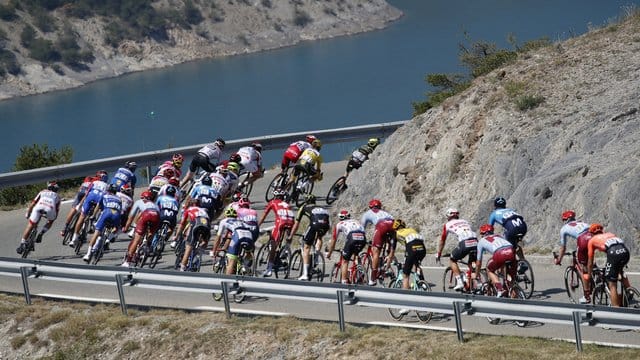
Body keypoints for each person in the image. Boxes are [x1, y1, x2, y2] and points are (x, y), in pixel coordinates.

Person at [583, 224, 631, 307]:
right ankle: (629, 291)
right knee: (619, 270)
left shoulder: (592, 240)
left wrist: (589, 275)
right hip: (625, 252)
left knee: (612, 284)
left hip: (614, 254)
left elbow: (590, 262)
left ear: (591, 234)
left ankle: (616, 309)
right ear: (602, 231)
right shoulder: (610, 234)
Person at [288, 194, 330, 281]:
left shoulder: (304, 207)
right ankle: (317, 256)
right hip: (325, 225)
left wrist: (291, 235)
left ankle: (305, 274)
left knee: (306, 247)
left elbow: (296, 223)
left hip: (314, 224)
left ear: (306, 201)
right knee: (319, 237)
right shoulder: (322, 208)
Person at [554, 210, 592, 303]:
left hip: (583, 240)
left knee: (584, 269)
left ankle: (587, 296)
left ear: (566, 220)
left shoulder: (564, 228)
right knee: (590, 260)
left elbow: (563, 248)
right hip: (593, 237)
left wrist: (559, 259)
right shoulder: (582, 222)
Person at [436, 208, 478, 291]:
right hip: (476, 242)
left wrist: (439, 253)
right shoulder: (465, 221)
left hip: (465, 243)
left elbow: (442, 241)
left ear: (448, 216)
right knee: (471, 264)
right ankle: (476, 281)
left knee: (452, 259)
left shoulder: (447, 225)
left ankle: (459, 281)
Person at [257, 188, 295, 277]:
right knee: (288, 236)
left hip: (281, 222)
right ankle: (286, 249)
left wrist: (257, 226)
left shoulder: (273, 202)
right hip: (291, 221)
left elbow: (263, 216)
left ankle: (269, 269)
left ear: (274, 196)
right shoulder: (287, 204)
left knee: (273, 244)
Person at [16, 181, 61, 254]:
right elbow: (57, 210)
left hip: (39, 207)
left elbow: (33, 204)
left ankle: (21, 245)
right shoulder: (58, 197)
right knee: (50, 221)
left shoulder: (42, 192)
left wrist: (28, 213)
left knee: (30, 225)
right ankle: (41, 234)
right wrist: (53, 218)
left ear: (48, 187)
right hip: (50, 209)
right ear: (56, 190)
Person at [393, 219, 426, 315]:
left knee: (405, 275)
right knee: (417, 264)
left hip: (411, 248)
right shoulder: (411, 229)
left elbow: (391, 252)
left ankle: (406, 306)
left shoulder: (396, 233)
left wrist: (388, 262)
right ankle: (422, 283)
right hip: (422, 248)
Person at [60, 170, 107, 237]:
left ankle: (65, 228)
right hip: (89, 194)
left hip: (81, 192)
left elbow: (81, 188)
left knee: (74, 208)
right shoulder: (102, 182)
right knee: (88, 211)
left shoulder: (89, 178)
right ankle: (89, 226)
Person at [360, 199, 396, 285]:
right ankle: (387, 261)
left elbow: (362, 228)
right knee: (389, 246)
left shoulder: (368, 213)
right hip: (392, 225)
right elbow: (393, 221)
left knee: (375, 251)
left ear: (370, 206)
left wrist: (362, 238)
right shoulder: (385, 213)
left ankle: (372, 278)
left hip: (381, 225)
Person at [326, 210, 367, 284]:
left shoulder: (339, 224)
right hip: (362, 237)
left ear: (340, 217)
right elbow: (363, 231)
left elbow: (333, 239)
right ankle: (359, 270)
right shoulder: (356, 221)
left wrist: (329, 252)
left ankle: (344, 282)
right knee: (356, 254)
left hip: (352, 237)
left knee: (345, 261)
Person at [83, 184, 122, 262]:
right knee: (116, 228)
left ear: (108, 190)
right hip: (116, 215)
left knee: (96, 233)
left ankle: (88, 254)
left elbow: (98, 207)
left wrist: (93, 215)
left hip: (106, 213)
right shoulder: (119, 199)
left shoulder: (104, 195)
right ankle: (109, 238)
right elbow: (120, 211)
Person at [68, 173, 109, 248]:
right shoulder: (107, 186)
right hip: (98, 199)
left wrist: (80, 204)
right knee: (100, 210)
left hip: (90, 197)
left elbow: (86, 194)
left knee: (82, 216)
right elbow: (105, 198)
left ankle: (74, 239)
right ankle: (93, 222)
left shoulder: (93, 182)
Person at [474, 224, 516, 295]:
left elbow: (478, 263)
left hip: (499, 253)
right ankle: (514, 293)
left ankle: (500, 289)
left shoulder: (481, 241)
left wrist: (476, 275)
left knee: (489, 270)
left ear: (483, 234)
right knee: (511, 279)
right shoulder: (499, 236)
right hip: (511, 250)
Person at [121, 192, 160, 267]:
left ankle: (128, 261)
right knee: (151, 235)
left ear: (142, 197)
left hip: (146, 215)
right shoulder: (155, 205)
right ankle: (148, 245)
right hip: (156, 216)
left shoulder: (139, 202)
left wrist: (126, 228)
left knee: (136, 240)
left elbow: (131, 217)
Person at [176, 198, 211, 271]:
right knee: (204, 241)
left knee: (189, 248)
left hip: (196, 224)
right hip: (206, 225)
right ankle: (199, 252)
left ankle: (182, 268)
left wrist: (176, 236)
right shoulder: (204, 210)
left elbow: (182, 224)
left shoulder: (189, 209)